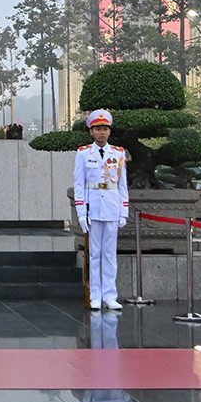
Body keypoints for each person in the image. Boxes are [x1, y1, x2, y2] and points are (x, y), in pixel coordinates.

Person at [72, 108, 129, 311]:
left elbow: (122, 185)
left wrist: (124, 211)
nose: (102, 133)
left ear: (110, 131)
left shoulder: (119, 153)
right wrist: (81, 213)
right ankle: (95, 294)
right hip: (93, 208)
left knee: (110, 254)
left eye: (105, 129)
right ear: (91, 131)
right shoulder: (83, 153)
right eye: (98, 129)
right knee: (94, 254)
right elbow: (79, 185)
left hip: (112, 207)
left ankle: (110, 295)